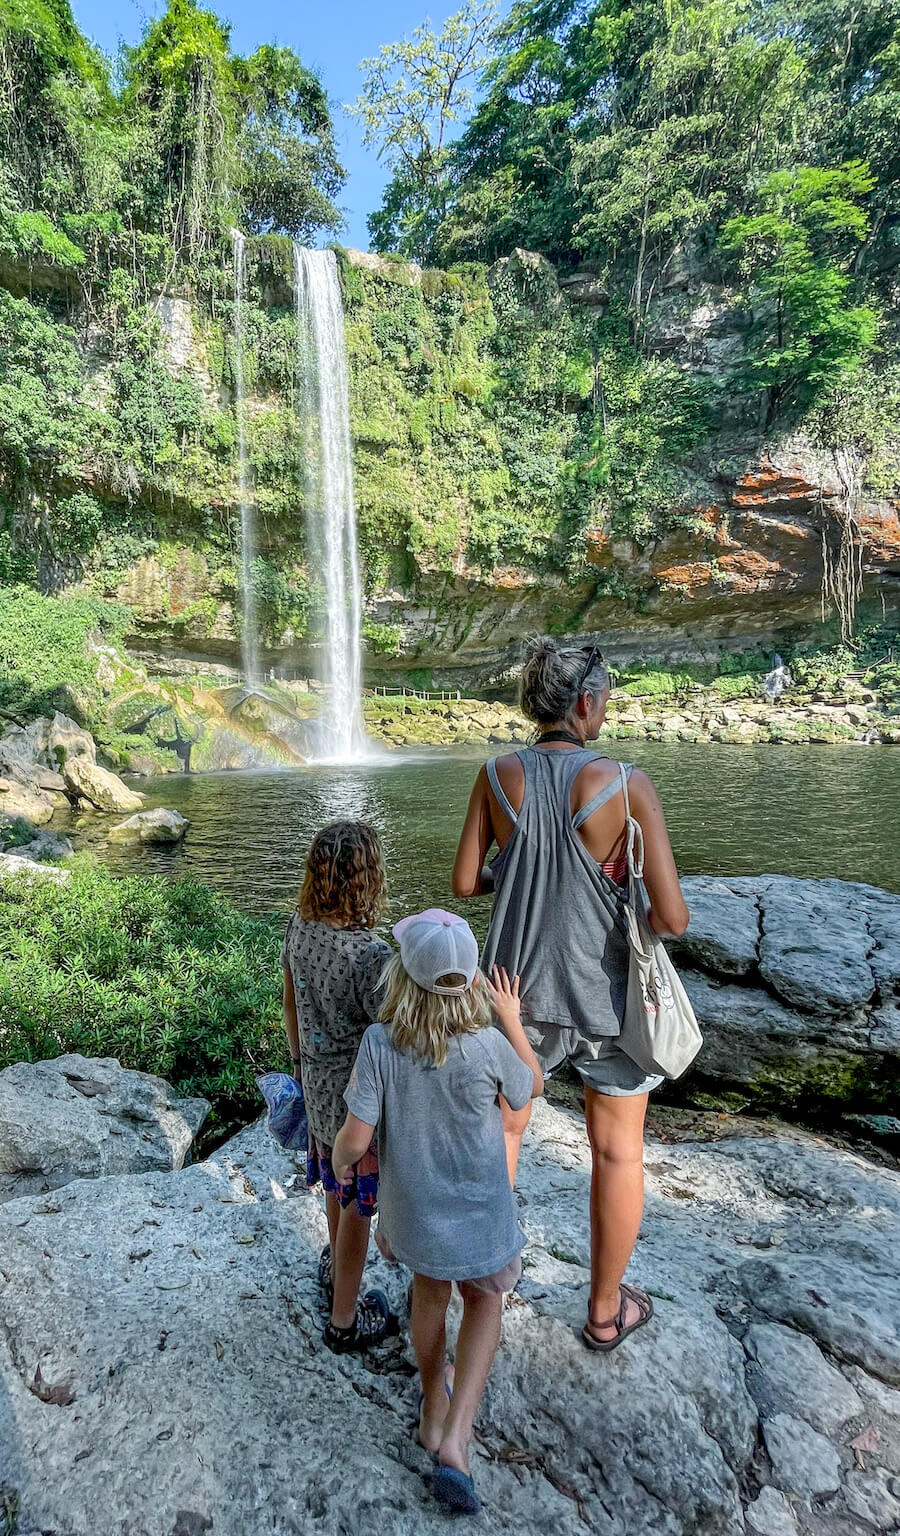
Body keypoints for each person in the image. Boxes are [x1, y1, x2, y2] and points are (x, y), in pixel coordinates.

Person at [451, 636, 689, 1354]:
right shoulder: (626, 784)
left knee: (504, 1132)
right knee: (617, 1152)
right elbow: (672, 919)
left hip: (510, 992)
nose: (607, 708)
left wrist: (518, 872)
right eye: (606, 697)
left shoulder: (496, 775)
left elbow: (465, 883)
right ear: (586, 702)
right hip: (605, 997)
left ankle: (485, 1285)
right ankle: (605, 1312)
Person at [332, 910, 543, 1515]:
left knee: (429, 1296)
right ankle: (458, 1436)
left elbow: (355, 1134)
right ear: (471, 979)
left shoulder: (381, 1043)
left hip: (416, 1215)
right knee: (485, 1300)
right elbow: (529, 1088)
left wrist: (347, 1165)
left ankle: (432, 1402)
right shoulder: (486, 1044)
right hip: (482, 1214)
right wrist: (510, 1019)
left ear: (402, 976)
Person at [281, 819, 396, 1354]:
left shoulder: (298, 928)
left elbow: (290, 1004)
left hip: (317, 1087)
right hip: (359, 1104)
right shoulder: (369, 957)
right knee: (360, 1206)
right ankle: (345, 1320)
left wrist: (299, 1062)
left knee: (334, 1181)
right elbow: (396, 1033)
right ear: (366, 880)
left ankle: (335, 1270)